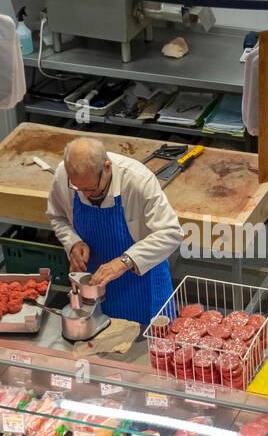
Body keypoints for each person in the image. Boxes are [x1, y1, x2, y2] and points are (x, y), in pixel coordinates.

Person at [46, 137, 183, 326]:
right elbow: (57, 217)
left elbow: (171, 233)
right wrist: (73, 243)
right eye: (78, 189)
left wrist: (125, 261)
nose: (84, 194)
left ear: (107, 168)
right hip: (95, 282)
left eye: (91, 188)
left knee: (153, 348)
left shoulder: (138, 180)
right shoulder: (65, 174)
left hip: (143, 284)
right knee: (98, 341)